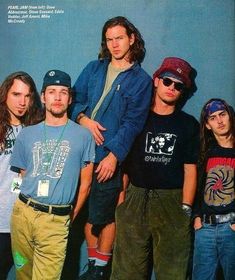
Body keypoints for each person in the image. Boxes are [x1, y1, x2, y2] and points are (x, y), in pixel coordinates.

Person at [70, 16, 153, 279]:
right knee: (85, 212)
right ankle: (94, 265)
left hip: (108, 155)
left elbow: (133, 123)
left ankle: (101, 268)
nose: (114, 44)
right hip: (81, 151)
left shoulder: (141, 80)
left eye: (119, 38)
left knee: (104, 213)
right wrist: (83, 119)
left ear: (131, 39)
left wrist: (115, 156)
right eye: (109, 39)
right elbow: (75, 99)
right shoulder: (94, 68)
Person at [111, 57, 199, 280]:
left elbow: (190, 170)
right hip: (135, 197)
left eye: (179, 85)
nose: (172, 88)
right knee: (126, 272)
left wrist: (186, 208)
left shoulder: (188, 124)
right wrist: (122, 201)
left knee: (172, 272)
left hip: (172, 201)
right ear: (157, 80)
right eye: (168, 81)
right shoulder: (137, 118)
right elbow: (125, 164)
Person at [10, 70, 95, 280]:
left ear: (70, 98)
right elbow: (22, 175)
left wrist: (68, 216)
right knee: (23, 274)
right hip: (23, 216)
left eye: (63, 92)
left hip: (55, 220)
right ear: (43, 96)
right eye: (52, 92)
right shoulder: (27, 134)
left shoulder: (84, 136)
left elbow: (86, 184)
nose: (57, 98)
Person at [0, 71, 42, 279]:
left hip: (26, 219)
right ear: (5, 94)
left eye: (27, 96)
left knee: (26, 272)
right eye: (16, 94)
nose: (22, 102)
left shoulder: (35, 130)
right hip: (1, 217)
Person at [192, 98, 235, 280]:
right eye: (213, 117)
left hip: (231, 227)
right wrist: (196, 218)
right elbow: (194, 187)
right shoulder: (204, 152)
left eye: (223, 115)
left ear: (230, 116)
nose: (219, 121)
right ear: (208, 125)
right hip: (206, 228)